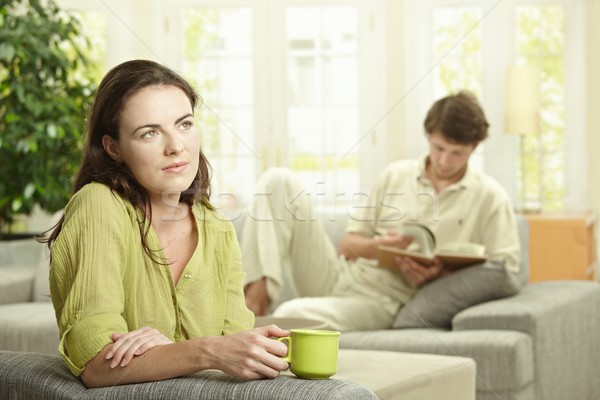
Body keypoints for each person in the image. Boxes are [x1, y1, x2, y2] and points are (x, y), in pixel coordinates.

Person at [46, 59, 289, 388]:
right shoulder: (98, 205)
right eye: (150, 133)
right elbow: (97, 364)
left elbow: (235, 356)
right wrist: (205, 352)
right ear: (113, 147)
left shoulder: (217, 228)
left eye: (185, 125)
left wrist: (255, 351)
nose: (176, 147)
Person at [242, 90, 521, 331]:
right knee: (277, 181)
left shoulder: (489, 197)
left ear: (475, 147)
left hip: (380, 301)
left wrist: (440, 277)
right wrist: (378, 247)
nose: (444, 161)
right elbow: (347, 245)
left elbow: (504, 272)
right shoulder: (396, 175)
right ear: (429, 137)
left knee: (293, 314)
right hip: (338, 275)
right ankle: (254, 302)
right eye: (438, 148)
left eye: (456, 153)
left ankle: (255, 320)